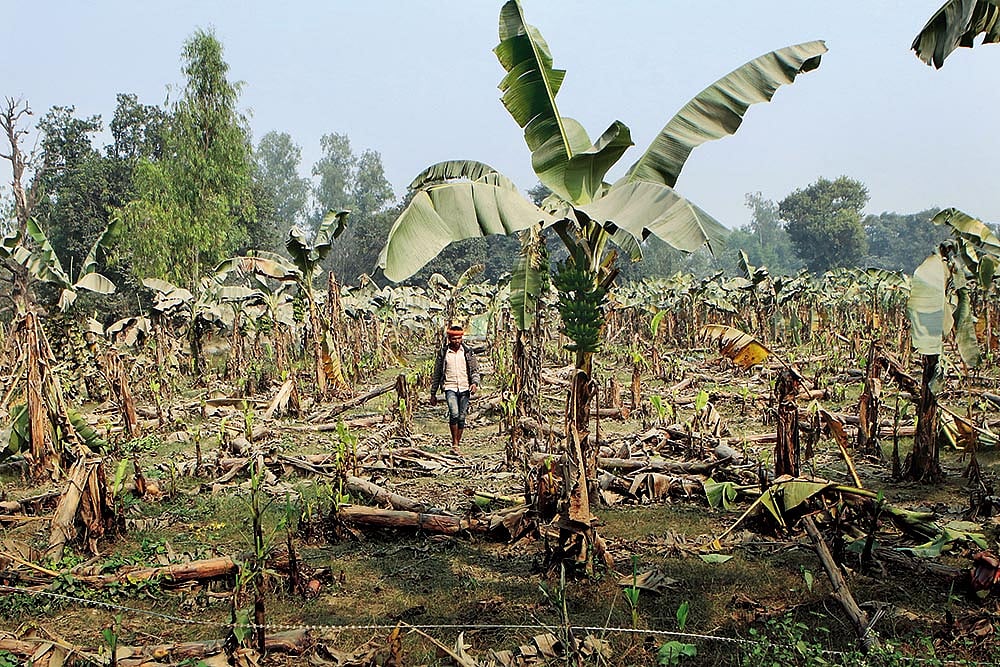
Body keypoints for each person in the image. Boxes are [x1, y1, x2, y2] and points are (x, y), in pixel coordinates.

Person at [430, 325, 481, 453]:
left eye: (459, 338)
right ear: (449, 339)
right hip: (450, 387)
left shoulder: (468, 352)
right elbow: (437, 373)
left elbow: (474, 370)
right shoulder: (443, 353)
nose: (456, 341)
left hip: (465, 387)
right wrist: (433, 393)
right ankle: (455, 443)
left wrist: (474, 383)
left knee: (462, 416)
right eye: (454, 339)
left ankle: (458, 442)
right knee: (454, 413)